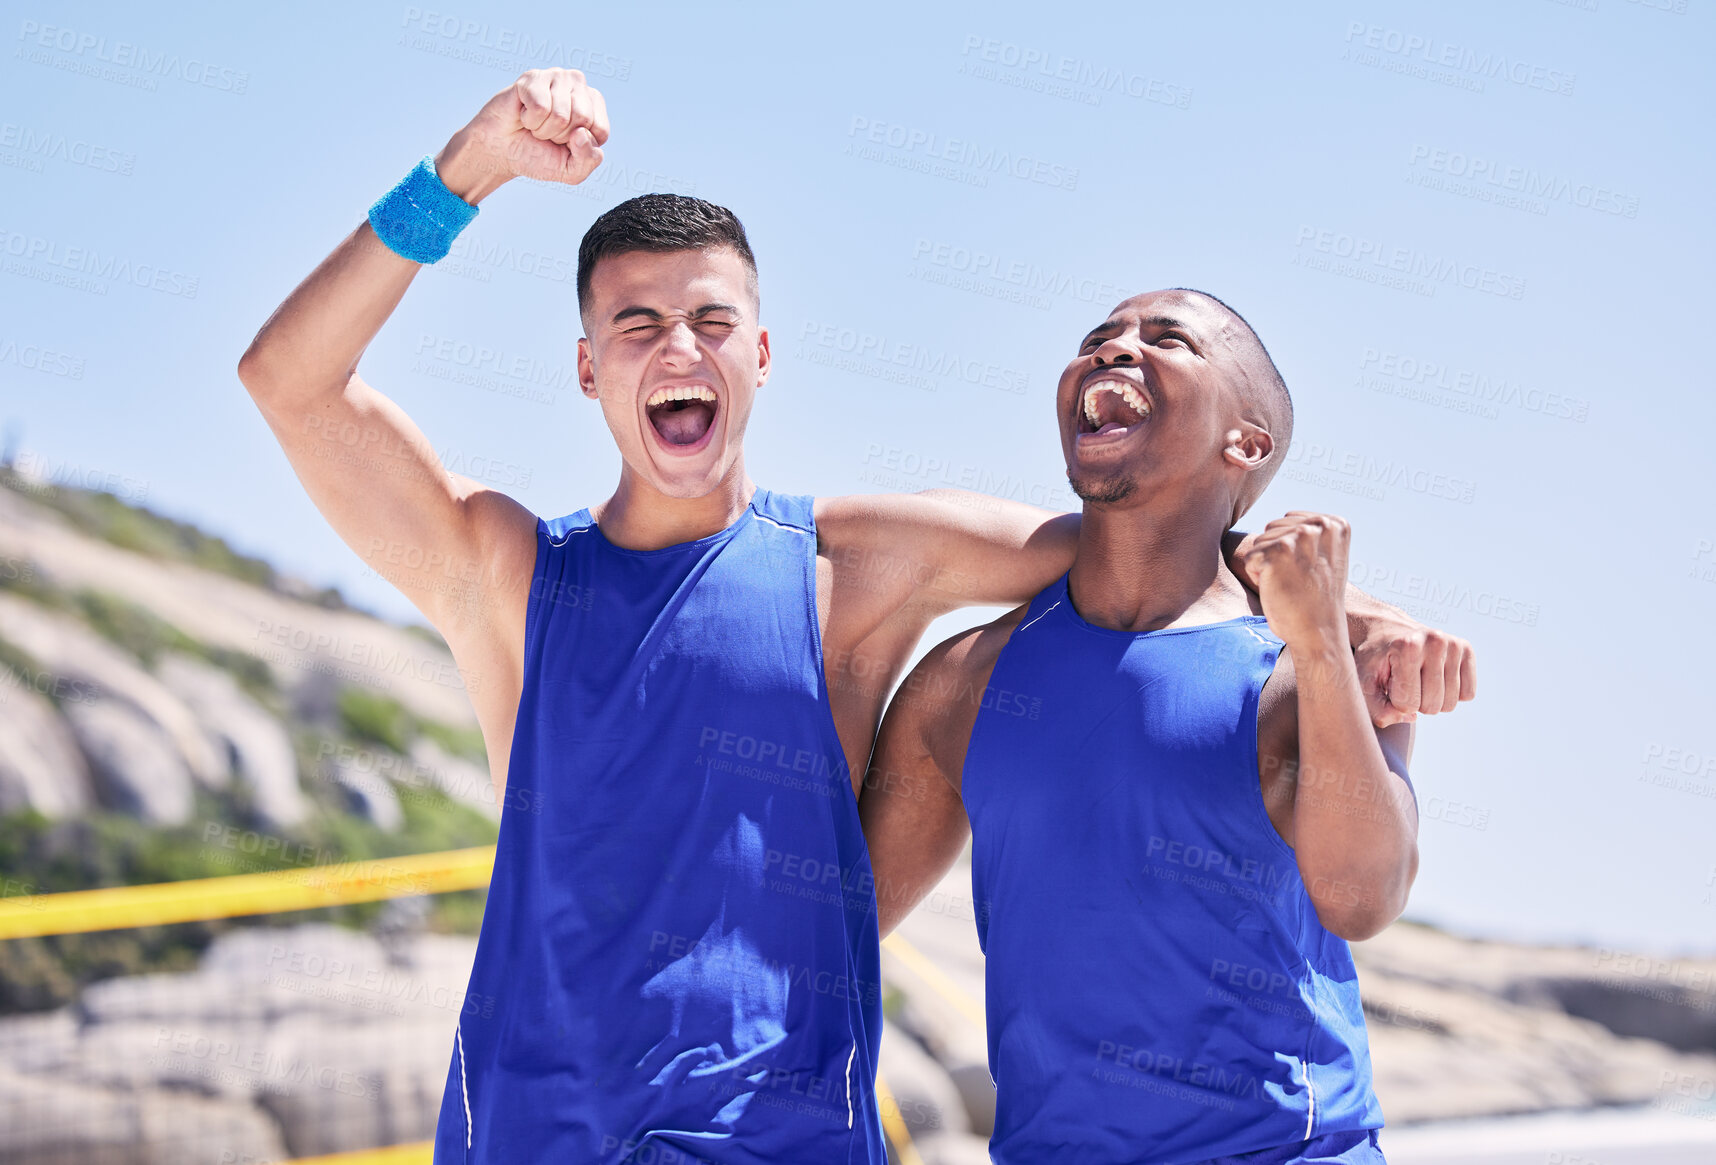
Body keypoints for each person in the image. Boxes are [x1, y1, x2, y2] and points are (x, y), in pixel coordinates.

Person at [236, 65, 1470, 1164]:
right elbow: (287, 381)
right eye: (639, 324)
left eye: (713, 322)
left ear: (760, 356)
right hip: (532, 1124)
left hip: (783, 1134)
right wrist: (469, 171)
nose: (682, 349)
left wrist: (1344, 609)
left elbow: (1133, 535)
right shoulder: (507, 573)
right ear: (588, 366)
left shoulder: (852, 564)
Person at [860, 288, 1464, 1163]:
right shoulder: (963, 683)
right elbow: (835, 920)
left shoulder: (1318, 667)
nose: (1112, 351)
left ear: (1245, 442)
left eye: (1167, 339)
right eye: (1096, 340)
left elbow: (1364, 897)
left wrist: (1326, 643)